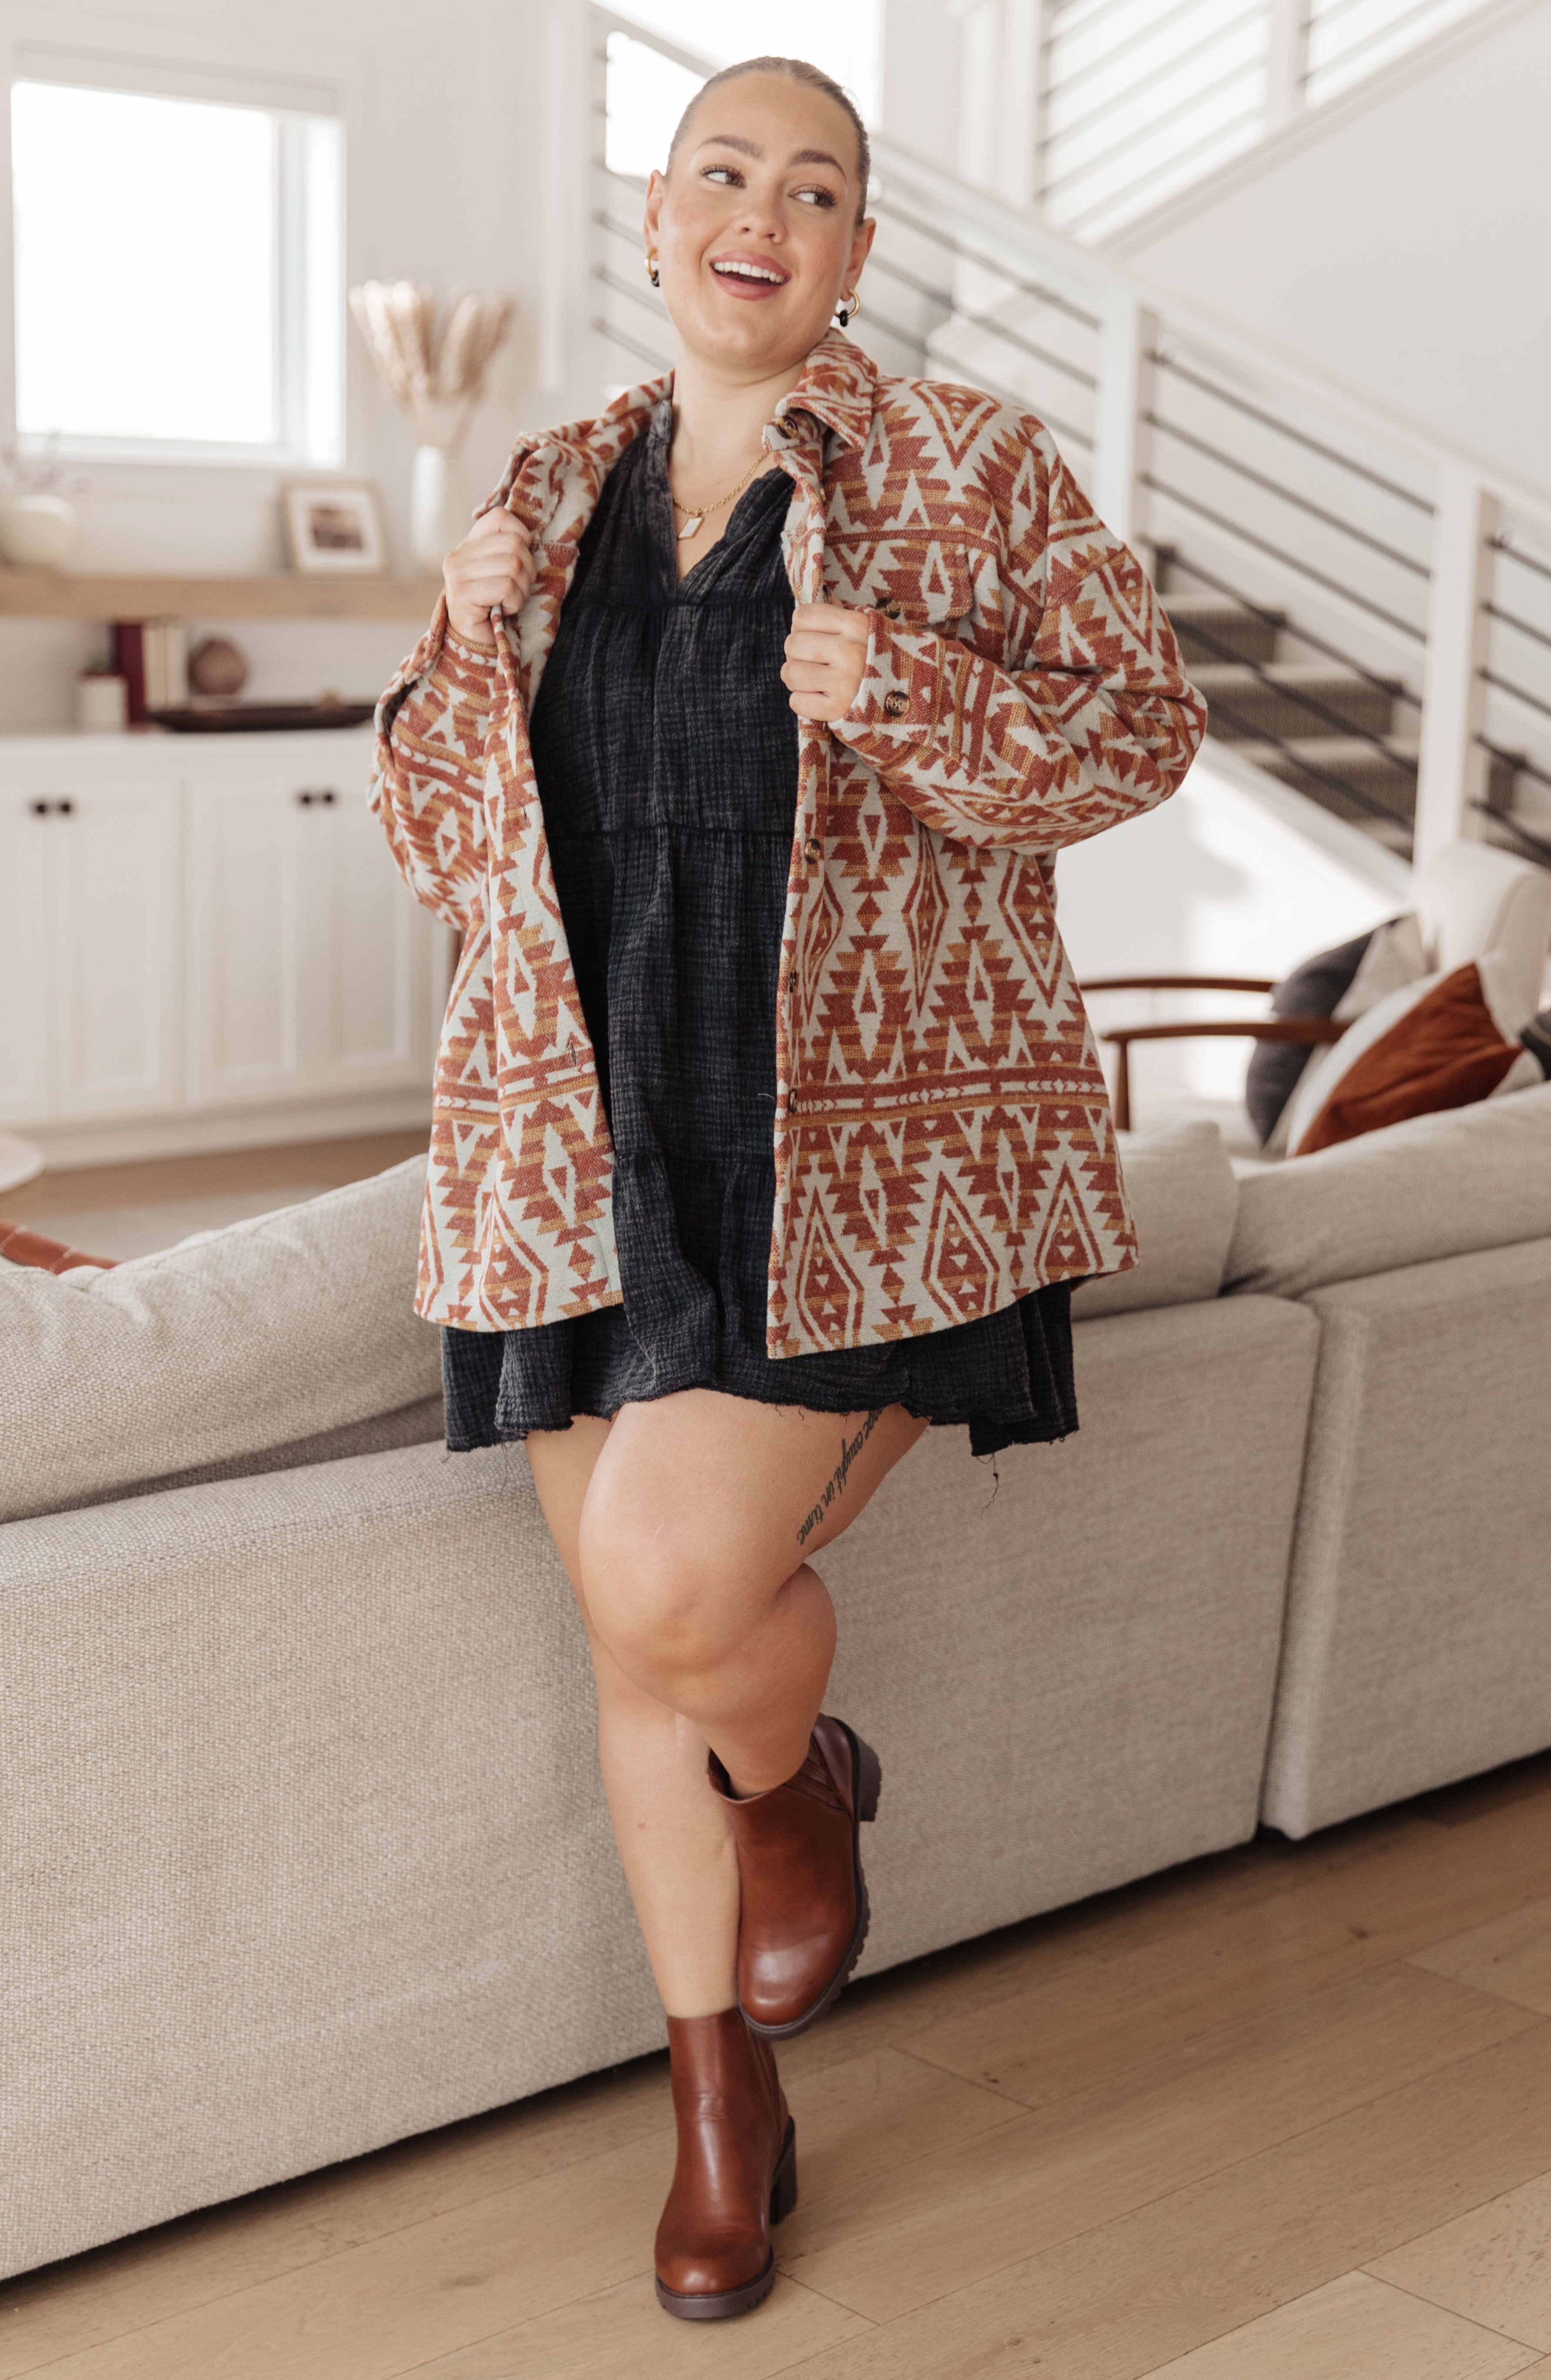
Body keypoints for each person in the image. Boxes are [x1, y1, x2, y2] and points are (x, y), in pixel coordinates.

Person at [370, 53, 1204, 2324]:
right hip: (573, 1142)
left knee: (667, 1586)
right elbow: (439, 842)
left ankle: (798, 1775)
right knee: (627, 1634)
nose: (763, 212)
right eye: (723, 172)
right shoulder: (545, 494)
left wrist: (910, 688)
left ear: (853, 251)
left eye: (814, 187)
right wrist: (455, 646)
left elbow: (1144, 728)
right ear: (655, 216)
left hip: (855, 1154)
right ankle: (720, 2114)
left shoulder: (972, 468)